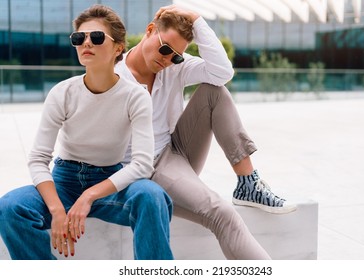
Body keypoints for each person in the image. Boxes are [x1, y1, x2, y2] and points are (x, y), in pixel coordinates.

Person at [115, 5, 298, 260]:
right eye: (165, 48)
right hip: (147, 169)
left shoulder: (174, 67)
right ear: (149, 30)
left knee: (215, 91)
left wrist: (197, 21)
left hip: (175, 150)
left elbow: (222, 73)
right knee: (222, 213)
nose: (167, 60)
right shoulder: (114, 78)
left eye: (176, 56)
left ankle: (247, 183)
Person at [0, 4, 173, 260]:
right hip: (64, 182)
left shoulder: (135, 95)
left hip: (109, 183)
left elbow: (142, 165)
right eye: (79, 38)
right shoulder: (63, 92)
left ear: (118, 47)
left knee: (152, 196)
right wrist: (58, 210)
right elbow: (38, 159)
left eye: (97, 37)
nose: (86, 43)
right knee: (10, 207)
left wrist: (89, 196)